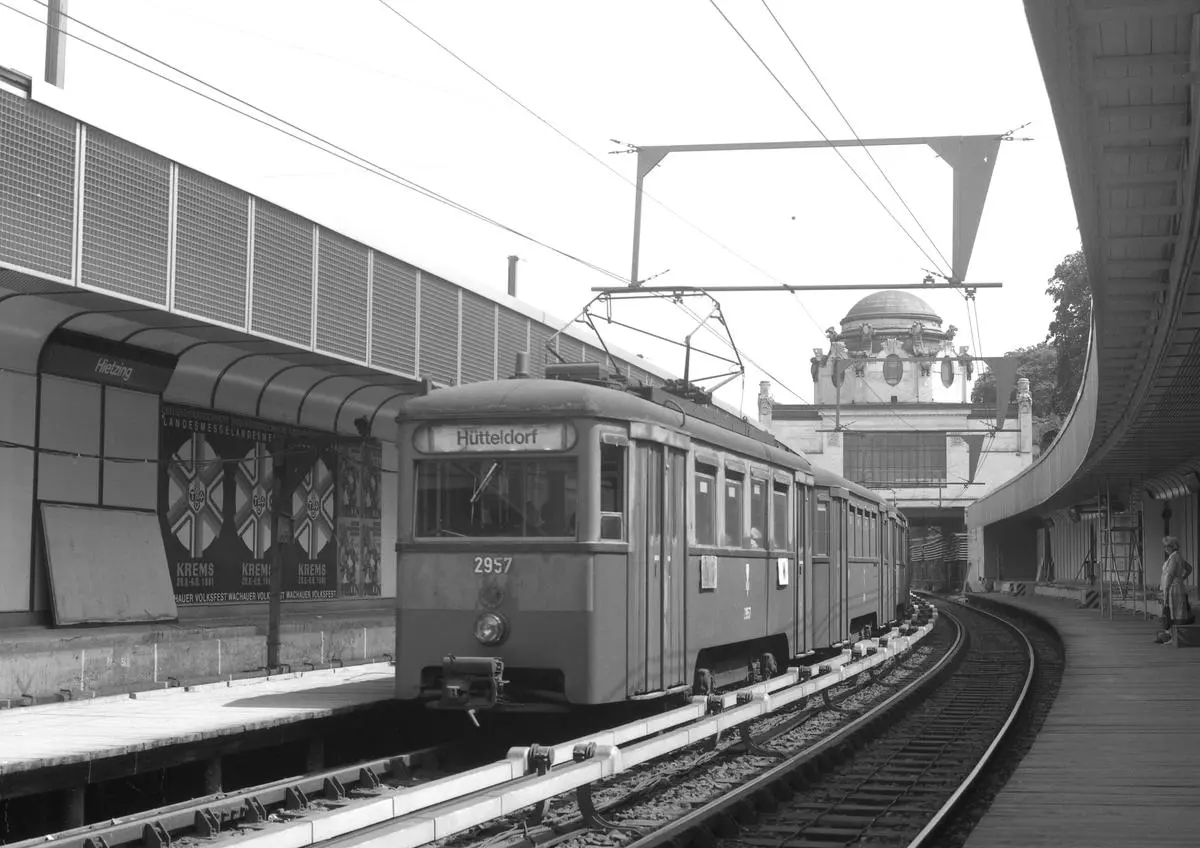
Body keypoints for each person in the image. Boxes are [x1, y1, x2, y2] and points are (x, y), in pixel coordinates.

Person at [1155, 536, 1194, 644]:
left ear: (1172, 547)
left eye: (1167, 546)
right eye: (1165, 546)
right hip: (1178, 586)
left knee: (1171, 612)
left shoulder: (1173, 558)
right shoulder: (1178, 556)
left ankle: (1171, 636)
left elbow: (1170, 575)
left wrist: (1166, 590)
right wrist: (1181, 578)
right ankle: (1171, 636)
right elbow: (1189, 569)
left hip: (1172, 588)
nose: (1165, 549)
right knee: (1175, 612)